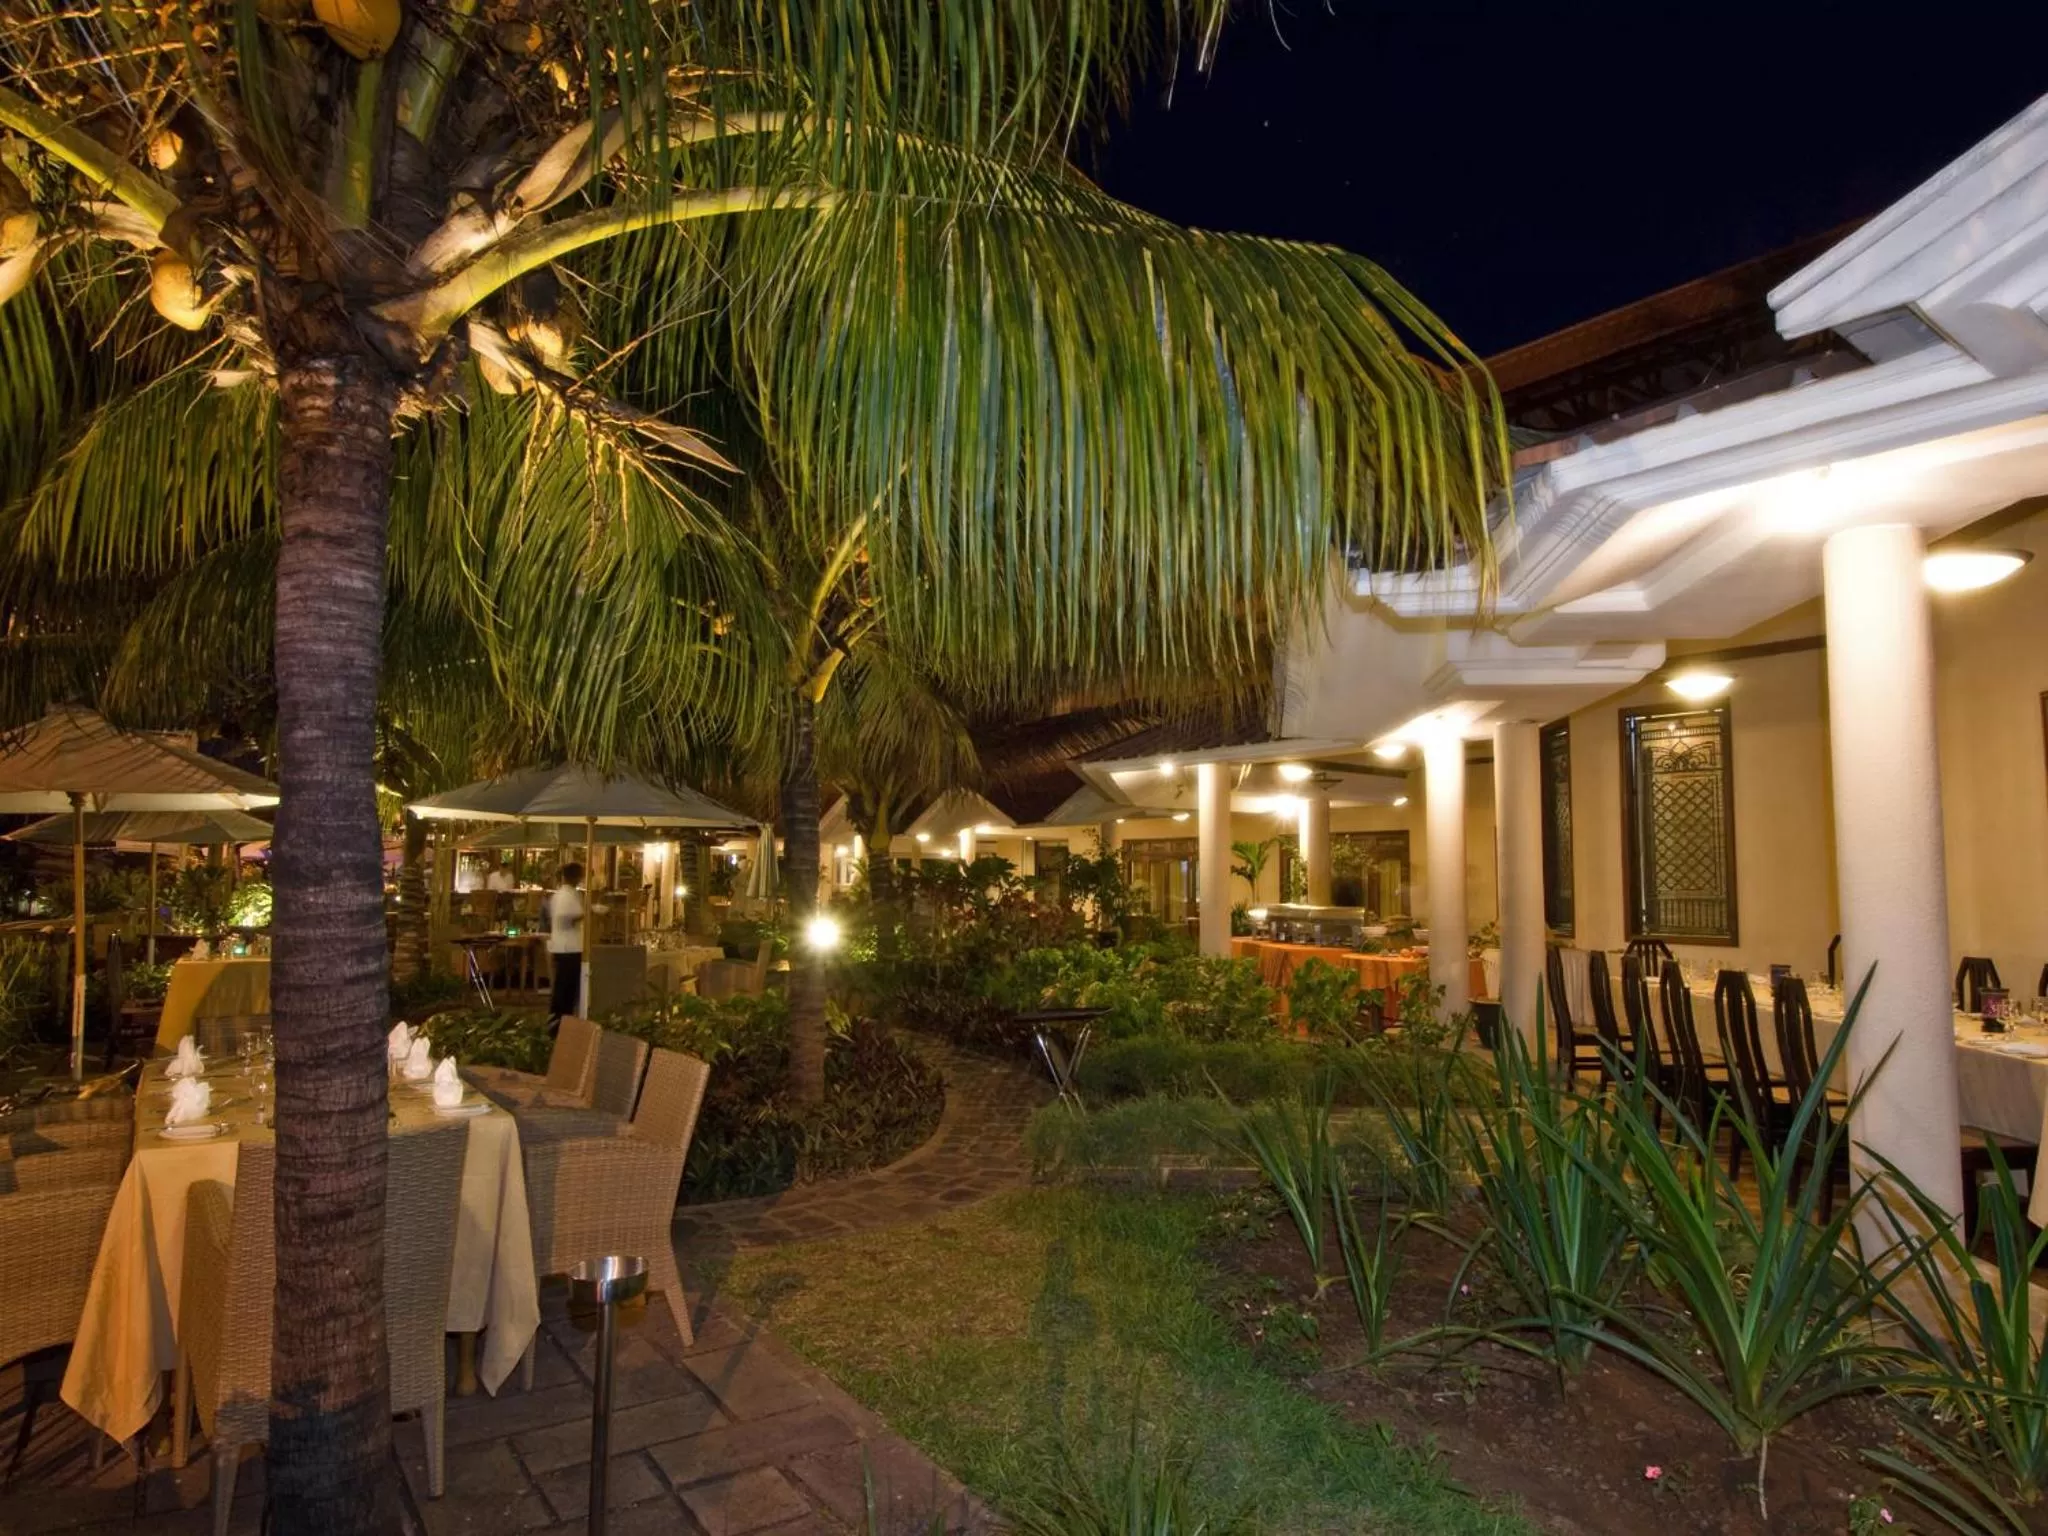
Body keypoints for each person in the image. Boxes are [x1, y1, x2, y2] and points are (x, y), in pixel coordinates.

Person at [544, 862, 585, 1025]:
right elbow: (565, 917)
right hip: (568, 948)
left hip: (567, 946)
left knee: (565, 989)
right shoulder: (565, 895)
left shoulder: (565, 894)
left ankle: (561, 1021)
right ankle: (559, 1023)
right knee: (565, 990)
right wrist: (586, 914)